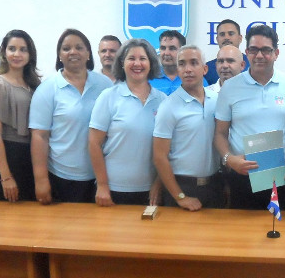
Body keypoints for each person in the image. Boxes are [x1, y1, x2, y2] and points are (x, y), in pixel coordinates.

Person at [214, 24, 285, 210]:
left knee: (281, 231)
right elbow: (220, 134)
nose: (259, 55)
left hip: (282, 175)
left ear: (276, 53)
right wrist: (229, 159)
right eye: (253, 50)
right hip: (242, 174)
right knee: (242, 235)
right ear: (246, 52)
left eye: (266, 50)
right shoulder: (229, 88)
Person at [29, 29, 112, 204]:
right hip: (62, 177)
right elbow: (39, 136)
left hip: (102, 177)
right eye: (66, 48)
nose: (73, 52)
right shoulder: (47, 89)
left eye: (79, 47)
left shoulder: (104, 85)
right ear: (59, 55)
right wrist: (41, 180)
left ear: (88, 54)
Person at [88, 39, 166, 206]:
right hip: (115, 189)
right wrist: (102, 185)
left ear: (151, 63)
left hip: (152, 191)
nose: (137, 63)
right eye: (131, 58)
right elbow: (94, 143)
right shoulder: (108, 97)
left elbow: (168, 150)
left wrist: (159, 184)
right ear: (122, 63)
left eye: (142, 58)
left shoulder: (163, 101)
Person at [153, 45, 222, 211]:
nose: (188, 69)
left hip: (215, 185)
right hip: (182, 186)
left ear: (205, 69)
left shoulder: (217, 100)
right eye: (182, 64)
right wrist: (180, 197)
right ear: (177, 70)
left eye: (193, 63)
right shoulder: (168, 107)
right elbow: (159, 156)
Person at [0, 30, 41, 202]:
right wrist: (6, 177)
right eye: (12, 49)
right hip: (8, 159)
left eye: (23, 49)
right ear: (4, 52)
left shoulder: (34, 85)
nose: (17, 54)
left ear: (30, 54)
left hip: (31, 159)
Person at [149, 30, 207, 95]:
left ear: (182, 51)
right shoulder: (149, 77)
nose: (166, 53)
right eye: (163, 48)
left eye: (172, 48)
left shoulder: (196, 79)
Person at [205, 19, 250, 85]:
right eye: (222, 34)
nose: (226, 37)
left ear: (240, 38)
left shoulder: (252, 65)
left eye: (231, 34)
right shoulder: (207, 69)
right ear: (217, 39)